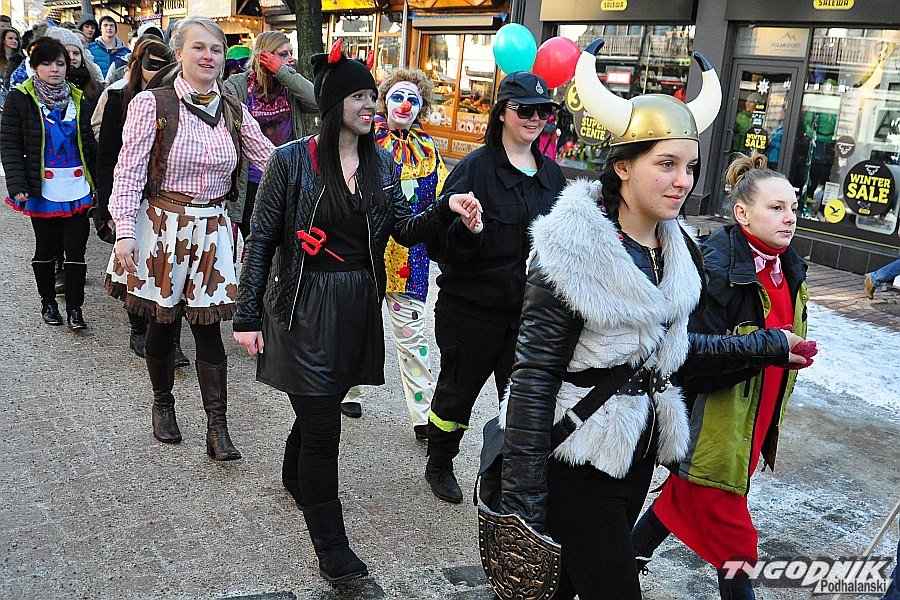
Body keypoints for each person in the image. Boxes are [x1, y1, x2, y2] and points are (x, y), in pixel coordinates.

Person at [494, 43, 812, 600]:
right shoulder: (570, 249)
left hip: (639, 449)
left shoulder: (680, 250)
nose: (682, 180)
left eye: (688, 166)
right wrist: (523, 504)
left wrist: (767, 346)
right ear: (622, 167)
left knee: (565, 588)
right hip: (575, 452)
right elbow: (532, 378)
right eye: (665, 164)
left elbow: (675, 354)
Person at [232, 40, 481, 583]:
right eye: (360, 96)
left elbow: (403, 229)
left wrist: (445, 208)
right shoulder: (290, 160)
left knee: (319, 409)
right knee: (325, 432)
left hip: (356, 307)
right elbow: (262, 239)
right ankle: (334, 553)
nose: (371, 105)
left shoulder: (381, 162)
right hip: (301, 304)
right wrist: (246, 315)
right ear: (332, 103)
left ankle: (294, 473)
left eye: (373, 95)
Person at [630, 153, 813, 600]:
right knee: (736, 544)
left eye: (793, 208)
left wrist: (783, 353)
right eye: (776, 208)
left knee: (680, 501)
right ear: (742, 214)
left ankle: (615, 567)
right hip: (710, 425)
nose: (789, 218)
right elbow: (687, 354)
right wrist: (769, 347)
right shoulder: (715, 266)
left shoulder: (789, 266)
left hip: (750, 422)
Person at [105, 16, 275, 460]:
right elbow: (128, 173)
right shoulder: (152, 104)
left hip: (213, 228)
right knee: (162, 323)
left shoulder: (233, 109)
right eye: (198, 48)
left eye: (216, 49)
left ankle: (217, 427)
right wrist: (125, 233)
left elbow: (272, 159)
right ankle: (163, 403)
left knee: (208, 329)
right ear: (179, 53)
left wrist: (324, 158)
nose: (208, 56)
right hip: (162, 226)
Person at [423, 70, 566, 504]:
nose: (535, 118)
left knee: (521, 406)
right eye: (525, 110)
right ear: (502, 113)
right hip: (471, 312)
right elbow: (439, 244)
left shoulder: (553, 177)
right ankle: (439, 462)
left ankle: (507, 478)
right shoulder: (475, 169)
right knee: (456, 395)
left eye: (543, 111)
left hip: (529, 316)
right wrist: (469, 231)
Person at [340, 68, 449, 431]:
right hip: (366, 252)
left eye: (413, 99)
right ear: (384, 102)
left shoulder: (429, 150)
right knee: (356, 326)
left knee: (413, 337)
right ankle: (348, 391)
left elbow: (442, 196)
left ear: (422, 107)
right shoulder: (363, 140)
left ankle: (423, 416)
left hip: (410, 258)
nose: (404, 105)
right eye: (397, 97)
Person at [1, 37, 96, 329]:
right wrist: (17, 183)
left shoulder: (78, 98)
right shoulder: (20, 98)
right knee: (46, 248)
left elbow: (90, 144)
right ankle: (49, 303)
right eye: (46, 63)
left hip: (78, 186)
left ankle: (76, 309)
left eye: (60, 63)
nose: (55, 69)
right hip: (42, 188)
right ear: (34, 66)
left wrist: (102, 185)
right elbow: (10, 144)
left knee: (76, 250)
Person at [93, 37, 175, 359]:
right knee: (135, 264)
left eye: (164, 66)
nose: (158, 72)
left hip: (165, 197)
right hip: (130, 195)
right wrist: (108, 207)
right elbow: (107, 157)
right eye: (152, 65)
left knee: (169, 267)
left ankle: (168, 334)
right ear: (137, 66)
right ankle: (139, 329)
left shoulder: (176, 100)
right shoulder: (118, 99)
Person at [223, 30, 316, 245]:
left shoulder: (290, 86)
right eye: (283, 54)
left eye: (290, 53)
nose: (290, 59)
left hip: (287, 178)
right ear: (264, 56)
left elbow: (317, 102)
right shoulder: (238, 85)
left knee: (283, 242)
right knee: (255, 243)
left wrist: (282, 71)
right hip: (251, 181)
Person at [45, 26, 102, 102]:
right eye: (66, 52)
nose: (72, 57)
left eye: (76, 53)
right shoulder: (42, 88)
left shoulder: (94, 86)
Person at [88, 16, 129, 82]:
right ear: (100, 29)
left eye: (112, 25)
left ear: (115, 29)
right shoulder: (90, 49)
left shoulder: (126, 52)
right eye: (105, 25)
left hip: (118, 86)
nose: (109, 28)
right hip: (95, 86)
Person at [0, 27, 23, 110]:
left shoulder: (20, 60)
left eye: (16, 39)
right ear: (3, 40)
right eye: (10, 38)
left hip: (14, 100)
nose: (14, 41)